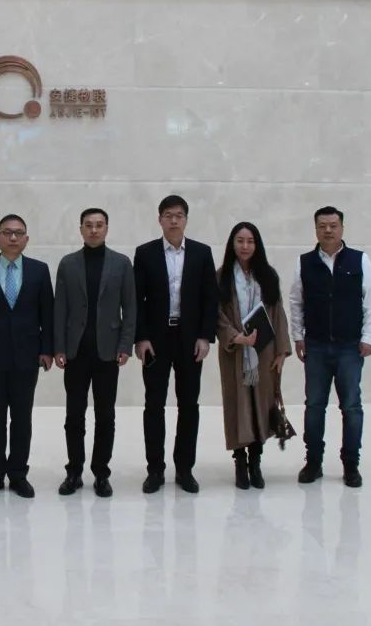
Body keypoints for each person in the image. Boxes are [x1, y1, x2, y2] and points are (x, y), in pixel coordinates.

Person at [133, 195, 219, 494]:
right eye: (168, 215)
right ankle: (155, 470)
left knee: (189, 405)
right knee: (154, 405)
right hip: (156, 340)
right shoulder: (145, 253)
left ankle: (185, 469)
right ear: (159, 219)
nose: (173, 220)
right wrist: (141, 337)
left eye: (179, 215)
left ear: (186, 219)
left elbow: (210, 298)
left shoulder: (201, 253)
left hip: (190, 339)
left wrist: (205, 336)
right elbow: (136, 300)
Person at [289, 206, 371, 488]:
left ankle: (351, 464)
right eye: (322, 225)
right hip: (315, 347)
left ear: (342, 228)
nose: (328, 230)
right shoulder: (304, 263)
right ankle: (313, 462)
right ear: (315, 229)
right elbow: (296, 302)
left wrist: (369, 337)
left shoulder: (360, 260)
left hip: (349, 347)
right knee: (314, 405)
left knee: (351, 406)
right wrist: (298, 336)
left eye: (333, 225)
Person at [0, 214, 54, 498]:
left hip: (28, 356)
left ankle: (18, 474)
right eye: (7, 232)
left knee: (22, 418)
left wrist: (47, 349)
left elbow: (48, 314)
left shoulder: (40, 270)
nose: (13, 237)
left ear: (26, 238)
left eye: (18, 233)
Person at [53, 208, 136, 498]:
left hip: (108, 352)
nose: (93, 230)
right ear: (80, 229)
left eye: (99, 225)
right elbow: (60, 308)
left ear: (107, 229)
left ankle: (101, 473)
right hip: (75, 352)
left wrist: (125, 345)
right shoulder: (68, 264)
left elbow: (130, 308)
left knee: (105, 415)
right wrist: (59, 347)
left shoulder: (121, 263)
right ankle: (74, 471)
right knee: (74, 415)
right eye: (88, 225)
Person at [216, 222, 292, 489]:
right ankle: (240, 462)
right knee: (238, 405)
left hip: (264, 353)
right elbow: (216, 314)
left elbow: (278, 314)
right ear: (232, 244)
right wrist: (236, 337)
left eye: (250, 241)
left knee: (261, 404)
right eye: (240, 241)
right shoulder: (221, 276)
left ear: (257, 245)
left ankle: (256, 462)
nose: (245, 246)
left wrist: (281, 351)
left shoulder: (268, 276)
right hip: (235, 353)